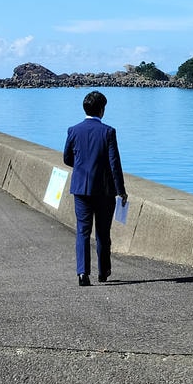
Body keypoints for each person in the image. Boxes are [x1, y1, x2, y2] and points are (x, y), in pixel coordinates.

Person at [62, 90, 127, 287]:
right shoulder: (108, 131)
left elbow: (67, 158)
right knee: (102, 232)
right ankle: (103, 271)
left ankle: (83, 273)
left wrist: (82, 167)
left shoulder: (73, 130)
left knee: (82, 230)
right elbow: (114, 163)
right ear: (101, 109)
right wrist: (121, 190)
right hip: (104, 190)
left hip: (80, 188)